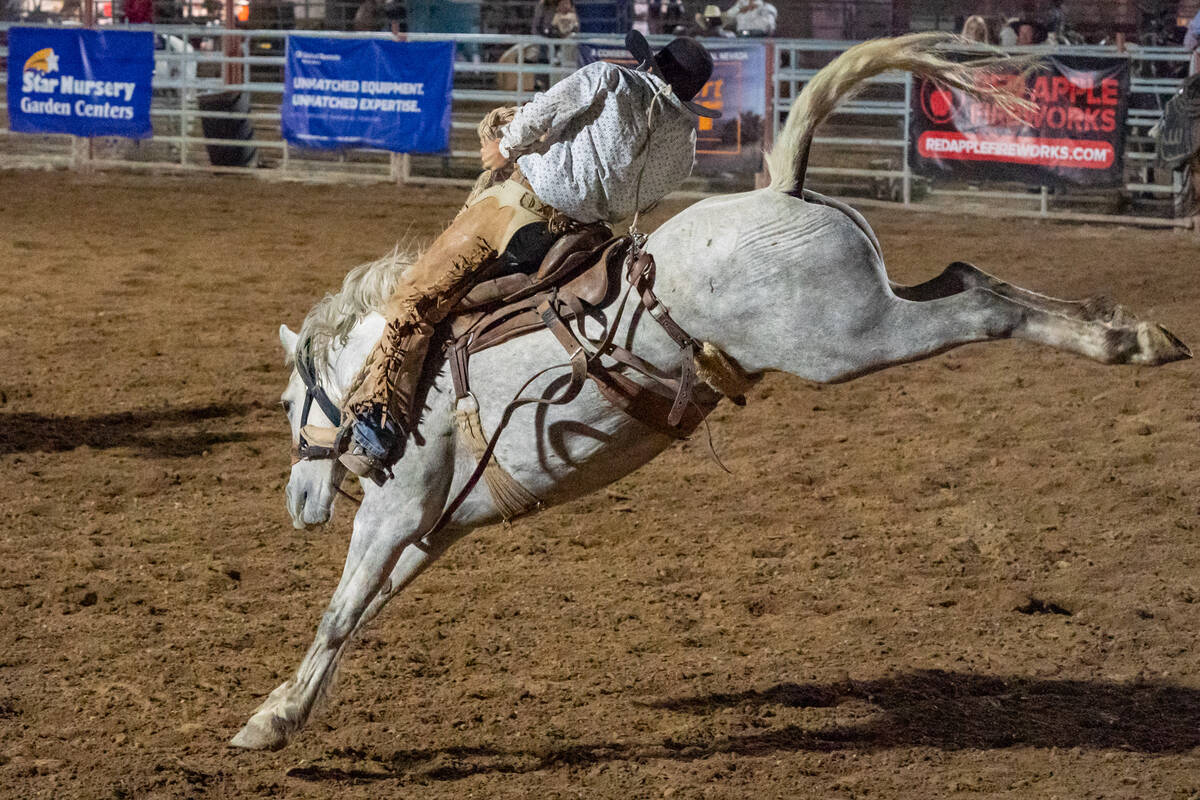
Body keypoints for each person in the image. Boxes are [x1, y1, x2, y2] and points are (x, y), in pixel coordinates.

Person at [334, 34, 721, 483]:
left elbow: (547, 108)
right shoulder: (685, 139)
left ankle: (375, 429)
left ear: (652, 65)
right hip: (586, 234)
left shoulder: (610, 79)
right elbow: (649, 196)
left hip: (521, 208)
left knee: (415, 299)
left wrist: (508, 146)